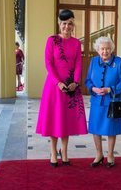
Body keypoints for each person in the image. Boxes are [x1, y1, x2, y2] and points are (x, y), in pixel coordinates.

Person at [36, 9, 87, 167]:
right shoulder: (51, 40)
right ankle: (53, 151)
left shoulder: (77, 43)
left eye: (69, 24)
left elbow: (78, 64)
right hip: (54, 86)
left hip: (71, 87)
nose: (66, 26)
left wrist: (76, 82)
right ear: (59, 24)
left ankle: (64, 152)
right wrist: (58, 82)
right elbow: (48, 64)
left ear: (73, 25)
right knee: (54, 119)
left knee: (66, 120)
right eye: (63, 23)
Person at [85, 36, 121, 168]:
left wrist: (110, 89)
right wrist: (93, 88)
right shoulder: (93, 62)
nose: (105, 51)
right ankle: (99, 154)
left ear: (112, 49)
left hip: (113, 102)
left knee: (111, 129)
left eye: (108, 49)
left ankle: (110, 154)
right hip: (97, 101)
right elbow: (88, 81)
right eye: (102, 49)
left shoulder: (119, 62)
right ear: (98, 50)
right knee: (95, 128)